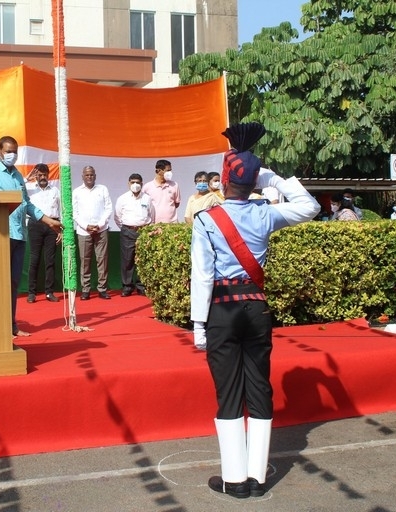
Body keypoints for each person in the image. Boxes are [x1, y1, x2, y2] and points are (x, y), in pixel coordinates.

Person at [191, 122, 319, 499]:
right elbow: (309, 206)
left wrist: (199, 325)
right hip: (257, 309)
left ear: (223, 181)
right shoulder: (266, 214)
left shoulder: (206, 219)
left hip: (222, 312)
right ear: (253, 182)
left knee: (229, 391)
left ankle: (234, 480)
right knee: (259, 387)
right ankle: (257, 479)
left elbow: (202, 275)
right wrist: (274, 178)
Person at [0, 136, 62, 337]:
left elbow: (27, 204)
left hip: (19, 235)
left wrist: (49, 221)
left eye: (15, 151)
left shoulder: (17, 175)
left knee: (13, 282)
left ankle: (11, 326)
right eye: (8, 151)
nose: (12, 155)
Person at [72, 165, 113, 300]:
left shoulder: (103, 189)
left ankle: (102, 289)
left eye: (91, 175)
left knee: (102, 260)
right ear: (82, 176)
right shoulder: (77, 192)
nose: (89, 177)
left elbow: (108, 208)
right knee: (85, 261)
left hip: (101, 230)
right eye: (87, 175)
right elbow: (74, 212)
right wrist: (86, 226)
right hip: (84, 231)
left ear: (95, 176)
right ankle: (86, 289)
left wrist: (99, 224)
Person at [26, 164, 62, 303]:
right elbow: (16, 189)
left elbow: (62, 210)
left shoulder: (55, 190)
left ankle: (49, 292)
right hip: (35, 225)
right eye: (39, 175)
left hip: (53, 225)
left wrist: (61, 230)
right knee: (34, 259)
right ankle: (31, 293)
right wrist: (27, 178)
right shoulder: (29, 190)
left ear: (48, 175)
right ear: (36, 176)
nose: (42, 177)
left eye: (44, 175)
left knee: (50, 261)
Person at [114, 173, 155, 297]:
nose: (135, 185)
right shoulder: (123, 198)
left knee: (142, 260)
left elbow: (152, 216)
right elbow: (117, 217)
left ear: (142, 184)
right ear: (128, 183)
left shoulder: (147, 198)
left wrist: (145, 229)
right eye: (133, 182)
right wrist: (127, 228)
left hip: (143, 231)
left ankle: (141, 285)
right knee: (127, 260)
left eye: (138, 182)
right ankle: (127, 286)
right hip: (128, 231)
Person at [142, 159, 181, 223]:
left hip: (172, 224)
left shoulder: (174, 185)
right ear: (159, 171)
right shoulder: (147, 187)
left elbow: (177, 203)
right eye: (167, 170)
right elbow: (144, 206)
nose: (170, 173)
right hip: (154, 225)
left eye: (170, 170)